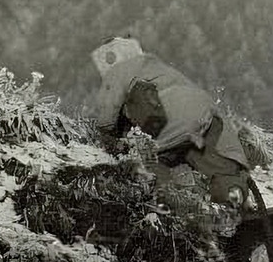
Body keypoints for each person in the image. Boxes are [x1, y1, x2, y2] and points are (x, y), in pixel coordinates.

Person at [91, 36, 249, 205]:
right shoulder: (157, 66)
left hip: (166, 128)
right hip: (204, 116)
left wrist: (108, 140)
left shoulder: (118, 71)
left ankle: (169, 204)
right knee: (211, 161)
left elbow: (105, 120)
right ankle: (231, 194)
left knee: (148, 162)